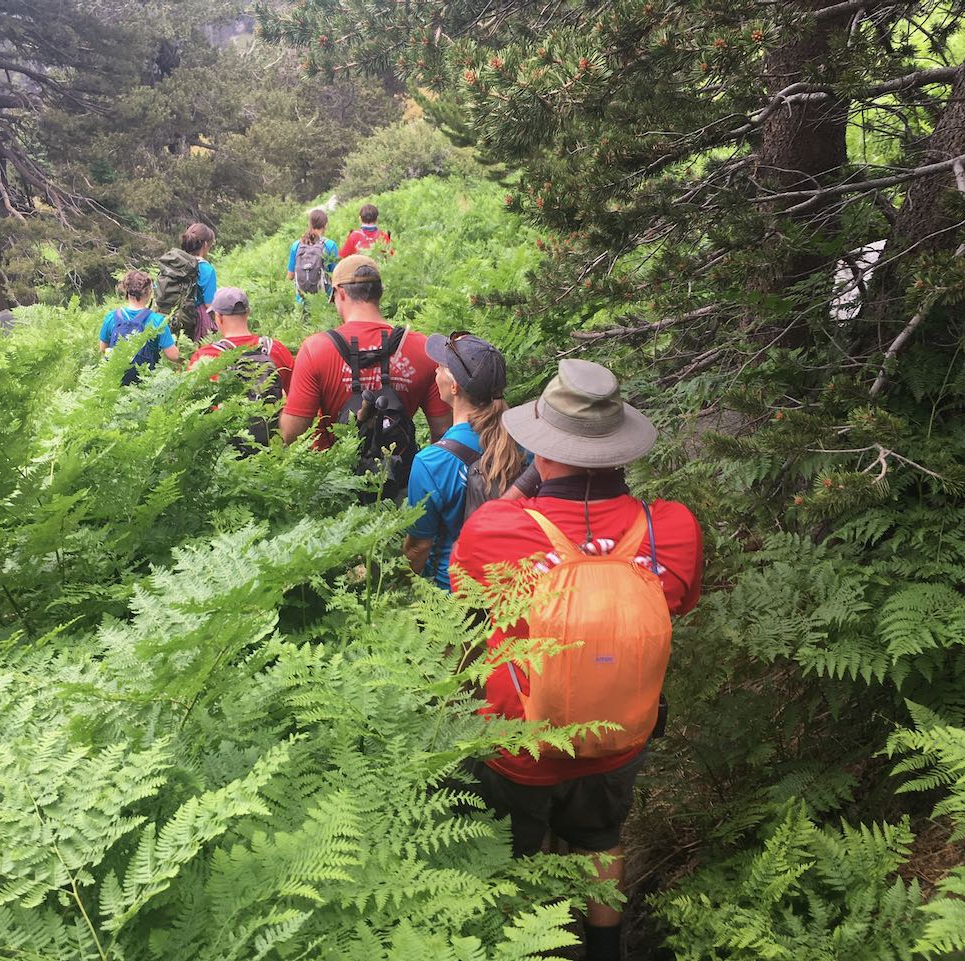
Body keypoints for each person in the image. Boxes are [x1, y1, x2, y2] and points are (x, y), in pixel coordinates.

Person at [449, 359, 703, 961]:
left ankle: (529, 947)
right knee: (601, 839)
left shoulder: (495, 527)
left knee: (515, 853)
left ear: (544, 446)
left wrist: (525, 487)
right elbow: (680, 605)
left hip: (520, 740)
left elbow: (466, 599)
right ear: (620, 447)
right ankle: (607, 949)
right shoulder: (671, 526)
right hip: (619, 735)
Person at [280, 255, 451, 454]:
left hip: (333, 479)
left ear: (340, 293)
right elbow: (443, 431)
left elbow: (292, 434)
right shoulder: (422, 348)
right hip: (400, 474)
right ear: (380, 292)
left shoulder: (315, 349)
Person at [402, 332, 523, 590]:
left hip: (454, 600)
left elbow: (419, 546)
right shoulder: (526, 445)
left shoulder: (432, 462)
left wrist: (399, 589)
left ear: (454, 386)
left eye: (441, 366)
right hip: (516, 590)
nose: (435, 369)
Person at [188, 287, 295, 394]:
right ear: (248, 312)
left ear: (219, 316)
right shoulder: (275, 348)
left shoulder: (204, 357)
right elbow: (297, 395)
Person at [98, 270, 181, 386]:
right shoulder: (157, 321)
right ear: (148, 292)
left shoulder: (111, 317)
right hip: (146, 385)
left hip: (117, 384)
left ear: (126, 291)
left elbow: (103, 348)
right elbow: (173, 356)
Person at [155, 223, 219, 341]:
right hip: (194, 322)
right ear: (205, 245)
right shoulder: (206, 269)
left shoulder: (174, 263)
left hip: (167, 317)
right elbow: (210, 305)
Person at [287, 209, 339, 302]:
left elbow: (290, 276)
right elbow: (336, 275)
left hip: (302, 299)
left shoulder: (296, 245)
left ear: (309, 224)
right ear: (325, 225)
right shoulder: (330, 245)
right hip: (324, 299)